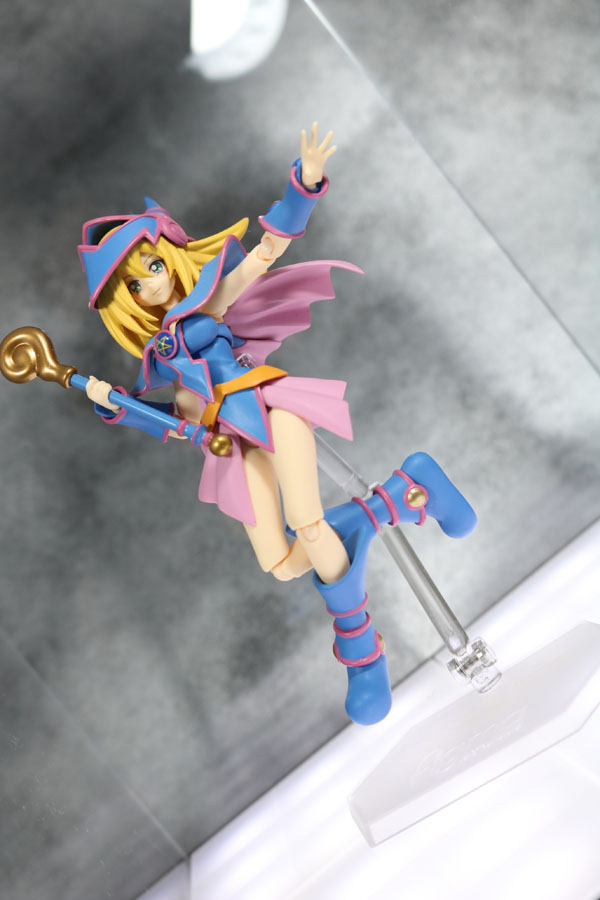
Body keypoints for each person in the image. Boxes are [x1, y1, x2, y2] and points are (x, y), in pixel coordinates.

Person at [78, 124, 476, 725]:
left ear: (171, 257)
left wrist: (304, 186)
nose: (150, 283)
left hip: (270, 409)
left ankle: (363, 653)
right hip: (230, 445)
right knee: (283, 562)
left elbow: (266, 251)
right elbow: (175, 421)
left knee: (309, 525)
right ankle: (404, 494)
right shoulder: (157, 358)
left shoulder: (206, 308)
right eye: (134, 284)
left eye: (152, 265)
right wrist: (117, 405)